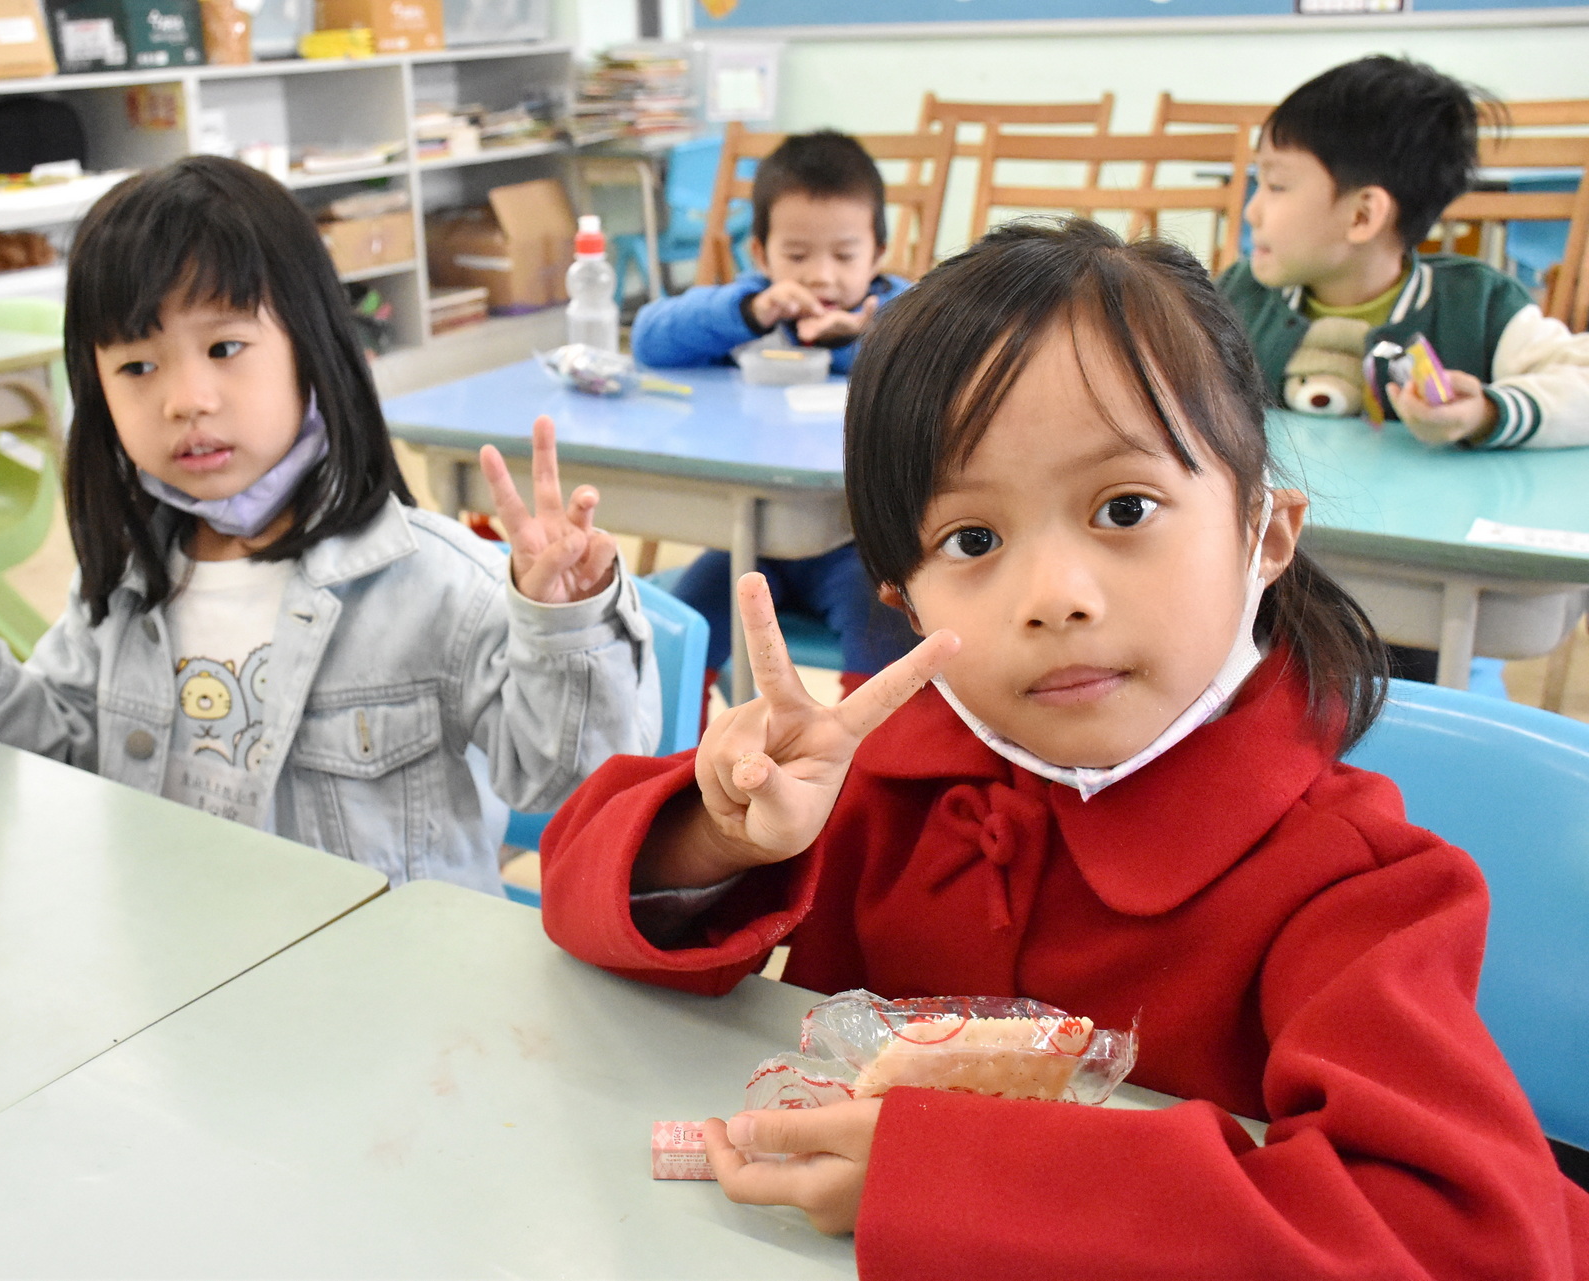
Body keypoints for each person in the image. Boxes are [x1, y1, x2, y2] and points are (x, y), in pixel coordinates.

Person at [539, 219, 1588, 1276]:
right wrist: (722, 837)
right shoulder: (877, 764)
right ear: (904, 600)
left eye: (1124, 508)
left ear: (1263, 533)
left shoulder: (1353, 885)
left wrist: (950, 1177)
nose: (1055, 597)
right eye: (973, 540)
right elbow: (577, 901)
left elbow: (1468, 1240)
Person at [0, 155, 659, 894]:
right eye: (137, 366)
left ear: (310, 346)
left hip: (380, 971)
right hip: (181, 961)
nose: (186, 399)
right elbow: (58, 764)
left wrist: (566, 625)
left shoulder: (431, 582)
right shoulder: (124, 584)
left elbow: (572, 779)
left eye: (225, 347)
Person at [631, 129, 916, 694]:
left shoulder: (901, 313)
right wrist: (749, 312)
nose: (820, 276)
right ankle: (681, 750)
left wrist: (854, 340)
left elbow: (937, 364)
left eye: (844, 255)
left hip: (859, 547)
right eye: (797, 255)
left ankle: (865, 753)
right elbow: (649, 339)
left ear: (878, 253)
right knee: (679, 633)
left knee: (890, 643)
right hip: (752, 539)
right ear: (760, 254)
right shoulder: (750, 307)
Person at [1222, 54, 1589, 451]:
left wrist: (1487, 413)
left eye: (1276, 185)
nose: (1251, 211)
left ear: (1362, 216)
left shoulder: (1478, 306)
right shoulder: (1234, 299)